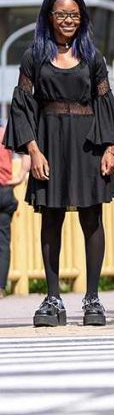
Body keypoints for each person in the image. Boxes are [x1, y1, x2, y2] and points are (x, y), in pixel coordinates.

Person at [4, 0, 114, 327]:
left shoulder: (93, 57)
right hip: (49, 143)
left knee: (92, 219)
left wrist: (110, 147)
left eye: (74, 15)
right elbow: (23, 105)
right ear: (49, 17)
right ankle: (53, 298)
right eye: (61, 14)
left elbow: (105, 103)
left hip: (89, 142)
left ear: (82, 18)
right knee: (51, 219)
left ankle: (93, 299)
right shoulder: (33, 56)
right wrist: (32, 150)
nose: (68, 20)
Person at [0, 123, 30, 297]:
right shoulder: (5, 134)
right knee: (3, 242)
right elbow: (26, 151)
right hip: (4, 191)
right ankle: (1, 286)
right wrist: (20, 176)